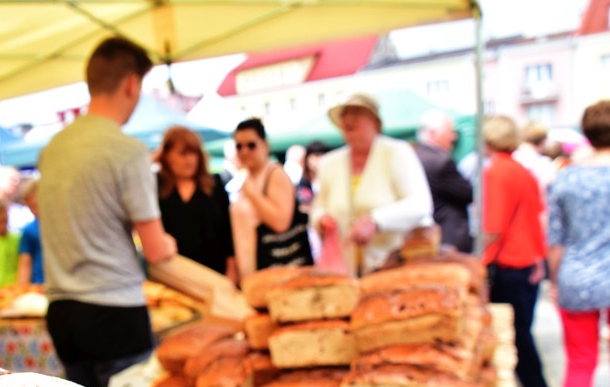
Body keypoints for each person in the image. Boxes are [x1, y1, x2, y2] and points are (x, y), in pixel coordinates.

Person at [37, 36, 177, 387]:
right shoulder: (127, 151)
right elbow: (157, 251)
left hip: (63, 313)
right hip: (115, 312)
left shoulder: (52, 149)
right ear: (131, 83)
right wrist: (169, 243)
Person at [547, 100, 610, 387]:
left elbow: (556, 239)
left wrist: (554, 281)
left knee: (579, 363)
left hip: (577, 279)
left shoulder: (566, 177)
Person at [312, 93, 432, 276]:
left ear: (375, 122)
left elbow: (421, 204)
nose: (349, 118)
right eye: (345, 114)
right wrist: (321, 219)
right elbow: (318, 207)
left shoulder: (396, 152)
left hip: (393, 264)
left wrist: (376, 221)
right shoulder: (329, 163)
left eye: (357, 112)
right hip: (345, 268)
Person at [481, 114, 551, 387]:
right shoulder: (522, 170)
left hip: (509, 263)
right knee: (522, 328)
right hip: (528, 261)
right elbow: (538, 216)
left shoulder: (496, 171)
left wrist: (479, 261)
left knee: (514, 333)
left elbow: (494, 226)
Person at [229, 118, 313, 282]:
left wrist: (252, 193)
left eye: (251, 145)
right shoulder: (248, 178)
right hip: (254, 273)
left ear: (265, 145)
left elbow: (280, 222)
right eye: (239, 146)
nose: (244, 151)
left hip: (279, 273)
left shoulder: (275, 174)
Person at [156, 125, 236, 280]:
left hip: (214, 271)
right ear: (167, 155)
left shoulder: (215, 184)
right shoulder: (156, 187)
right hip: (172, 273)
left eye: (194, 153)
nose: (190, 160)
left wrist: (232, 268)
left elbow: (228, 230)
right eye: (183, 154)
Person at [414, 109, 474, 253]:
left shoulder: (414, 156)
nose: (453, 137)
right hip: (449, 239)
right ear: (433, 133)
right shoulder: (440, 161)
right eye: (449, 132)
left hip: (423, 236)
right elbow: (469, 193)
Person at [18, 178, 44, 285]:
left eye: (36, 205)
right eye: (31, 207)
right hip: (38, 284)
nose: (35, 211)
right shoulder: (29, 230)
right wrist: (23, 288)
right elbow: (25, 263)